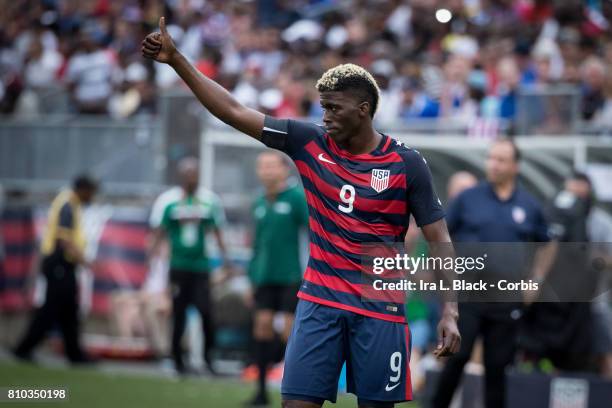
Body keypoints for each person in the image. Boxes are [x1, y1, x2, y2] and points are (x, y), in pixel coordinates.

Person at [142, 18, 460, 407]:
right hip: (320, 304)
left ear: (363, 110)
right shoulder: (307, 141)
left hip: (380, 307)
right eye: (321, 106)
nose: (323, 115)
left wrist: (450, 310)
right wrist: (177, 61)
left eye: (333, 108)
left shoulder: (407, 164)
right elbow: (232, 109)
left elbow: (440, 239)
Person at [432, 139, 552, 408]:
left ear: (515, 166)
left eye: (500, 160)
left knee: (498, 368)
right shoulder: (467, 198)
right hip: (468, 298)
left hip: (506, 299)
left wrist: (536, 280)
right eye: (491, 158)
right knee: (455, 359)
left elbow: (547, 244)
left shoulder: (529, 206)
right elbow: (441, 237)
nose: (493, 164)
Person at [148, 157, 229, 376]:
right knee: (178, 313)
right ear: (180, 176)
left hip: (201, 267)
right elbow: (158, 232)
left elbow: (218, 231)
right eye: (187, 173)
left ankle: (208, 359)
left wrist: (226, 261)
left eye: (194, 173)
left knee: (207, 313)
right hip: (178, 266)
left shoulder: (209, 200)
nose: (190, 177)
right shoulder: (168, 201)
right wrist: (152, 262)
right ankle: (178, 361)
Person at [246, 150, 309, 406]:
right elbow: (257, 243)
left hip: (292, 276)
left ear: (285, 170)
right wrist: (252, 276)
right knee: (261, 328)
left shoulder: (295, 198)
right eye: (262, 166)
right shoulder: (259, 202)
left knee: (288, 332)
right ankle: (261, 392)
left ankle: (295, 390)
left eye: (272, 166)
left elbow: (312, 232)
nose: (267, 171)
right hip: (264, 277)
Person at [13, 175, 97, 363]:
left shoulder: (70, 203)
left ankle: (74, 354)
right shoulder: (67, 204)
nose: (92, 196)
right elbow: (64, 239)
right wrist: (85, 261)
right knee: (50, 310)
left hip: (64, 264)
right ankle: (23, 348)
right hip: (58, 263)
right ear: (83, 189)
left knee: (69, 311)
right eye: (91, 192)